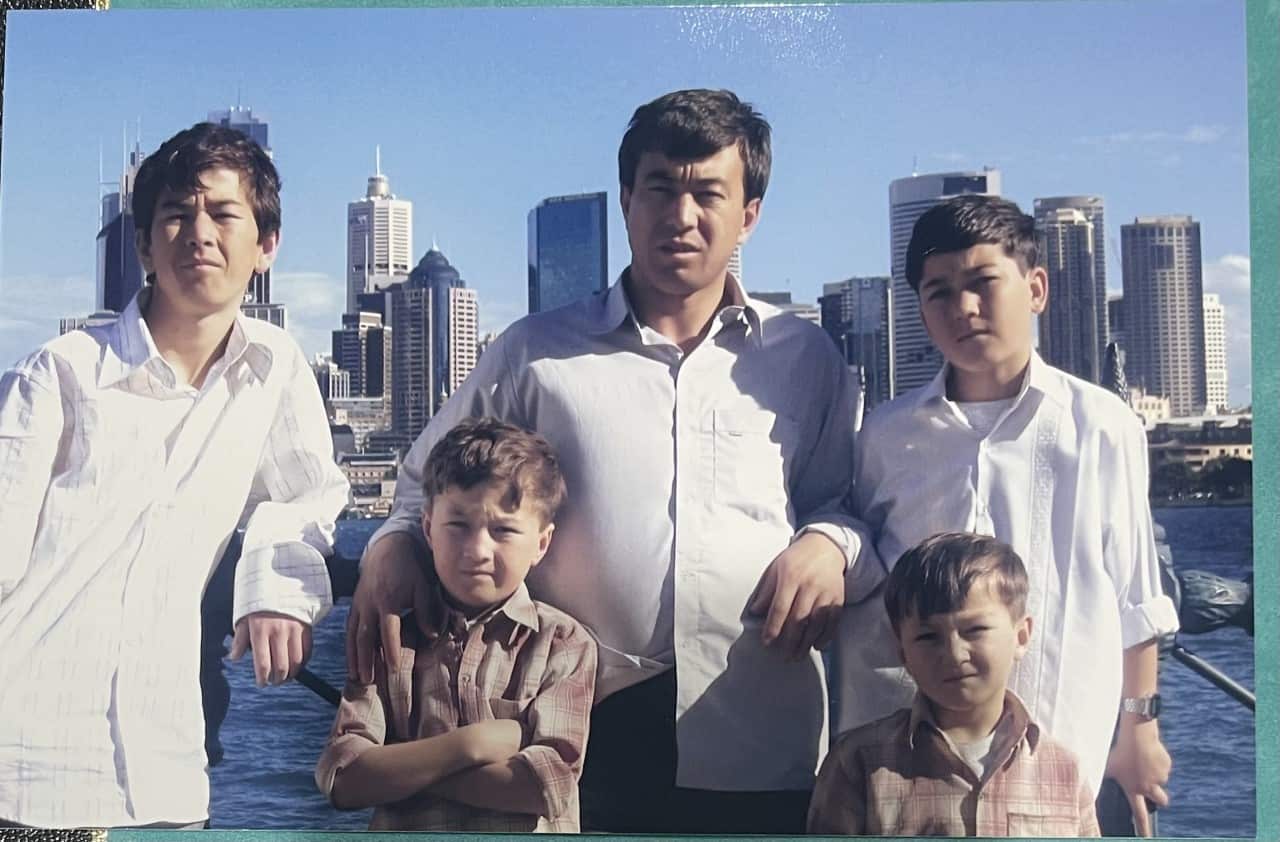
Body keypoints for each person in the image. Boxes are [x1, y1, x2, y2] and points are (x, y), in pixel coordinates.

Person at [347, 88, 876, 833]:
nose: (681, 215)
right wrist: (390, 551)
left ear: (749, 214)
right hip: (572, 732)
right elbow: (420, 484)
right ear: (627, 199)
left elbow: (846, 501)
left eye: (708, 193)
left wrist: (831, 545)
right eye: (660, 187)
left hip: (758, 726)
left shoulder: (805, 356)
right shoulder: (535, 353)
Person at [0, 122, 349, 829]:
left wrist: (276, 588)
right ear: (143, 244)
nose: (198, 233)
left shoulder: (274, 368)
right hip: (23, 764)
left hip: (163, 781)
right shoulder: (61, 371)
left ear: (266, 246)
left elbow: (310, 495)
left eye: (223, 214)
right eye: (175, 214)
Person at [830, 194, 1179, 836]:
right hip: (914, 769)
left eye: (983, 283)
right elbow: (869, 568)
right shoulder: (884, 435)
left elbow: (1137, 593)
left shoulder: (1101, 424)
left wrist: (1139, 726)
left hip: (1063, 748)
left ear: (1036, 287)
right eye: (938, 292)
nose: (962, 307)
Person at [315, 417, 596, 831]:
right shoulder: (392, 637)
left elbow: (545, 786)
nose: (477, 550)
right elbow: (342, 777)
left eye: (503, 530)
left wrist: (402, 768)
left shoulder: (563, 644)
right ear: (428, 528)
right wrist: (472, 745)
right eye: (458, 526)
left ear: (541, 543)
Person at [809, 531, 1099, 837]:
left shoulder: (1064, 771)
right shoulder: (858, 763)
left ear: (1021, 635)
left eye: (974, 630)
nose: (954, 654)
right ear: (902, 650)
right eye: (928, 637)